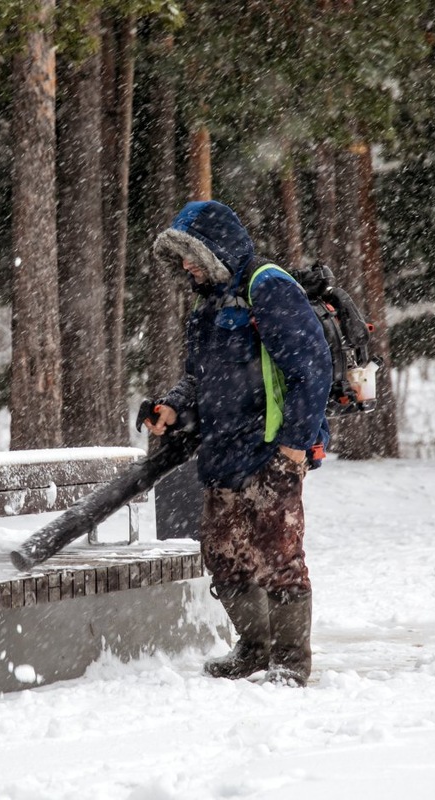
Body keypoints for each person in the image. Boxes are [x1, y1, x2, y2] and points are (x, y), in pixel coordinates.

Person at [146, 200, 332, 687]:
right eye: (181, 258)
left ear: (215, 250)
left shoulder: (266, 287)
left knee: (278, 556)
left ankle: (290, 662)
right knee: (224, 554)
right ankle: (253, 649)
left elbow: (311, 370)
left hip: (271, 448)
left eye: (191, 255)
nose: (186, 267)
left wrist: (294, 447)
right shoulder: (207, 303)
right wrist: (172, 406)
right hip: (222, 451)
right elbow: (200, 378)